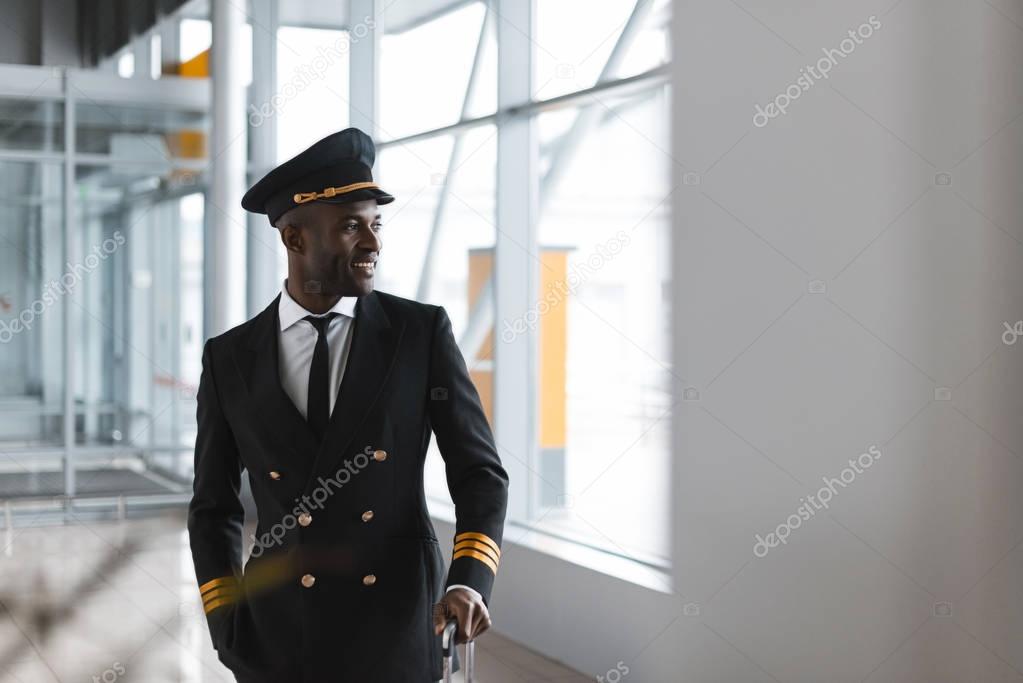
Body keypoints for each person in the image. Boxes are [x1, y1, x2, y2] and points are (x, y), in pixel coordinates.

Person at [187, 127, 509, 682]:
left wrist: (467, 578)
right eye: (351, 226)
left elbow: (480, 473)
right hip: (277, 634)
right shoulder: (229, 357)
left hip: (397, 625)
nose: (373, 244)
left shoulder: (419, 333)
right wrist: (226, 623)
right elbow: (213, 507)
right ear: (295, 240)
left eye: (376, 224)